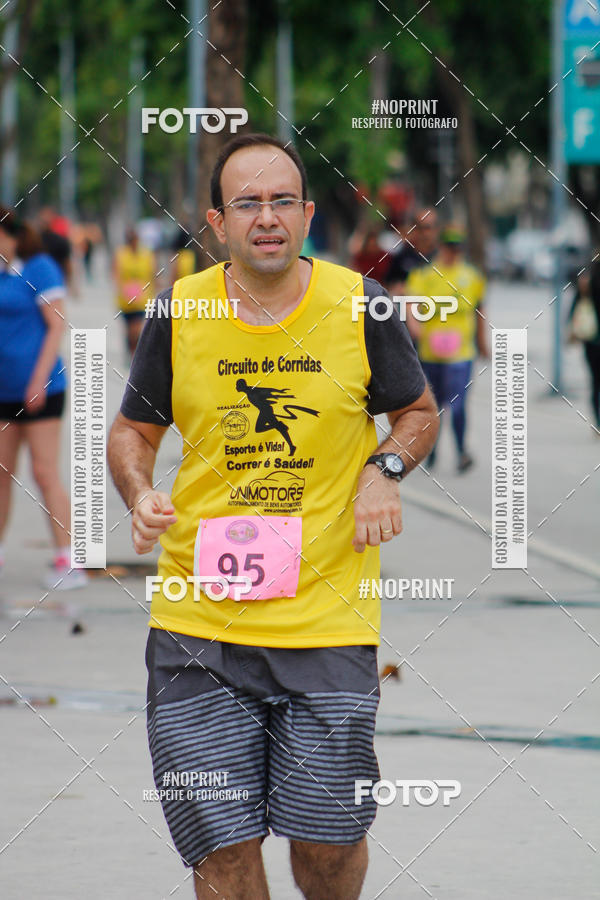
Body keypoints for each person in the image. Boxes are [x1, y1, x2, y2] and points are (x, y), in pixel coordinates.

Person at [107, 133, 438, 900]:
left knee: (327, 841)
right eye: (247, 203)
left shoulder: (361, 305)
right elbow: (133, 430)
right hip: (197, 626)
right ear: (217, 222)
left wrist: (383, 471)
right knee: (220, 848)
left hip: (326, 624)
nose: (267, 217)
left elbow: (417, 412)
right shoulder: (180, 309)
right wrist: (140, 491)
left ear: (307, 214)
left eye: (281, 200)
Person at [0, 208, 87, 589]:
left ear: (10, 234)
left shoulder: (38, 268)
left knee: (44, 471)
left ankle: (69, 560)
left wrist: (36, 381)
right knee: (2, 475)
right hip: (3, 391)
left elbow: (57, 326)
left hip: (42, 390)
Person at [406, 224, 489, 472]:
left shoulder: (472, 277)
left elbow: (480, 311)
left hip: (460, 355)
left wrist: (483, 344)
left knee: (458, 404)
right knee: (433, 407)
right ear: (441, 248)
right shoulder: (425, 275)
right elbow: (411, 303)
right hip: (430, 354)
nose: (453, 252)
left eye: (457, 248)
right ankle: (430, 450)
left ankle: (462, 451)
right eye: (449, 247)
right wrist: (415, 326)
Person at [112, 227, 156, 358]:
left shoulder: (146, 254)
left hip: (142, 298)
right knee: (129, 328)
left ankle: (135, 353)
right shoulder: (121, 254)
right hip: (126, 299)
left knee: (137, 328)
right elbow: (116, 274)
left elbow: (152, 272)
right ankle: (130, 350)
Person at [568, 267, 600, 430]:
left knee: (595, 382)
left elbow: (573, 311)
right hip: (593, 341)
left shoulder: (586, 280)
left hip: (592, 341)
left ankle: (598, 422)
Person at [385, 207, 439, 294]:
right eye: (419, 228)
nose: (424, 233)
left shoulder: (443, 257)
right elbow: (388, 284)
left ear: (436, 230)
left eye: (427, 228)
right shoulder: (402, 256)